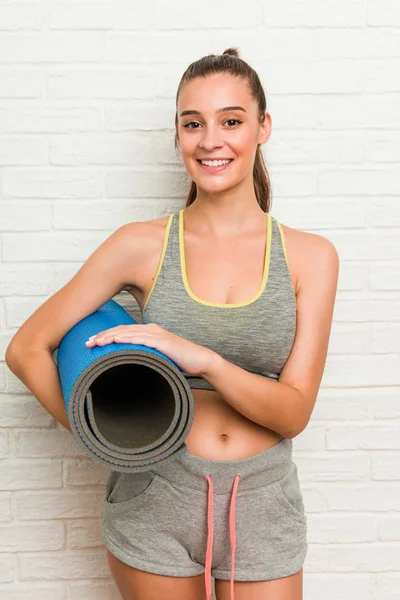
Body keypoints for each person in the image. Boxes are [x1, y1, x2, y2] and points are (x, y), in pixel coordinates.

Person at [5, 48, 339, 600]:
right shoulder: (139, 244)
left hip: (264, 500)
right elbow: (27, 349)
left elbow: (295, 411)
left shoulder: (311, 257)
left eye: (232, 121)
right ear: (178, 135)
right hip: (157, 495)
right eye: (193, 124)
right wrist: (110, 436)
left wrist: (202, 358)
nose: (211, 140)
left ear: (263, 128)